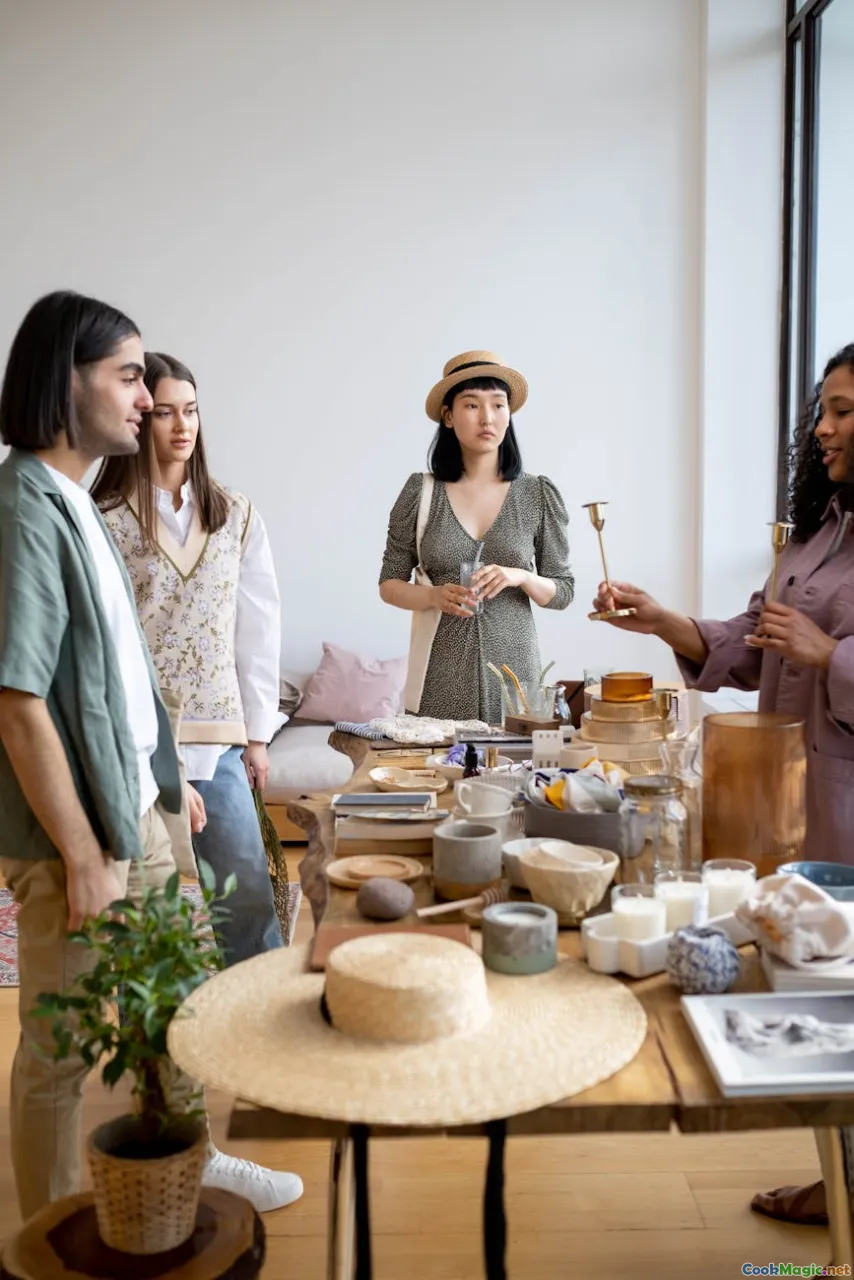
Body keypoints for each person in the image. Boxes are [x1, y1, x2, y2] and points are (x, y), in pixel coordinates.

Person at [0, 292, 301, 1220]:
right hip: (84, 831)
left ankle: (193, 1160)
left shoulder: (75, 504)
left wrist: (169, 788)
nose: (147, 399)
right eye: (130, 378)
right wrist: (83, 853)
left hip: (145, 804)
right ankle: (47, 1238)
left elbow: (120, 679)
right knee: (61, 1042)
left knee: (172, 1002)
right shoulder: (25, 507)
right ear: (67, 380)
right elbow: (17, 702)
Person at [592, 341, 854, 1227]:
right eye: (822, 411)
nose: (822, 430)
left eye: (843, 411)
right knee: (818, 993)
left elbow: (812, 650)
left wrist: (832, 655)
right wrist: (666, 621)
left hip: (848, 806)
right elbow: (751, 642)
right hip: (790, 802)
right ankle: (843, 1187)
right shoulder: (817, 536)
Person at [92, 352, 284, 969]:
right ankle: (159, 1033)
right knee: (149, 916)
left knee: (248, 903)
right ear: (140, 418)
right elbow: (105, 644)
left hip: (219, 740)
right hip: (141, 745)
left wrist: (257, 736)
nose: (183, 426)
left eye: (192, 411)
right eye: (166, 413)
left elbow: (258, 629)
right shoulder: (104, 519)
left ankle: (261, 1016)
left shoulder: (236, 514)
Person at [379, 351, 574, 724]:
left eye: (498, 405)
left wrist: (521, 576)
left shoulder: (537, 494)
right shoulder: (420, 493)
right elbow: (389, 585)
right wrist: (434, 596)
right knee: (443, 760)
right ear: (448, 416)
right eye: (472, 405)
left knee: (516, 761)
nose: (487, 418)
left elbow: (563, 591)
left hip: (516, 681)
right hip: (440, 677)